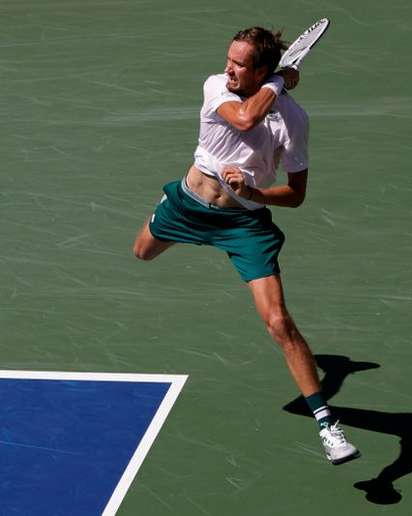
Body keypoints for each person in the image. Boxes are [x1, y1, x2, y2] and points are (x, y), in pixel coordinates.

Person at [132, 26, 359, 465]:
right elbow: (244, 119)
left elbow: (296, 195)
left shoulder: (293, 120)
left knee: (278, 322)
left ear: (259, 69)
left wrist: (254, 194)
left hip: (243, 223)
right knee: (141, 252)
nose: (228, 68)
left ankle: (327, 423)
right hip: (188, 204)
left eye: (239, 64)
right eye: (229, 59)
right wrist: (277, 80)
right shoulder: (216, 86)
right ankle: (169, 206)